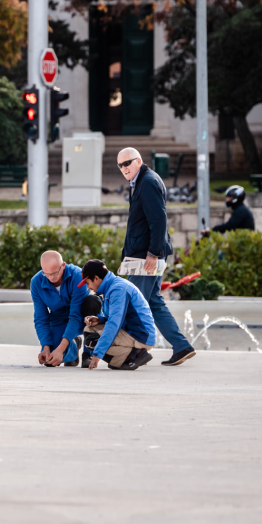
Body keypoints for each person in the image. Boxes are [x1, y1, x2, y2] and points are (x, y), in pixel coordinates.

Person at [116, 147, 195, 366]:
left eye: (127, 163)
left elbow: (158, 220)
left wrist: (153, 253)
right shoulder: (141, 180)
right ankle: (181, 347)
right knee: (153, 302)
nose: (124, 168)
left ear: (138, 161)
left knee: (134, 303)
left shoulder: (148, 181)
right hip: (144, 254)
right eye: (120, 165)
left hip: (147, 256)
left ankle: (136, 352)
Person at [77, 259, 157, 370]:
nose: (87, 287)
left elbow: (114, 323)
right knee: (89, 330)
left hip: (140, 336)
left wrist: (97, 354)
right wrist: (100, 320)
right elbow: (117, 317)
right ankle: (126, 357)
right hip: (128, 331)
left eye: (87, 283)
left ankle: (137, 354)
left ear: (96, 278)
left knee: (93, 340)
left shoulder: (118, 289)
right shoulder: (110, 287)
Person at [30, 250, 87, 367]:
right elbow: (41, 318)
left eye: (55, 273)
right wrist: (45, 346)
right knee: (50, 359)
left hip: (82, 316)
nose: (51, 278)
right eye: (47, 274)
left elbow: (75, 316)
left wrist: (60, 349)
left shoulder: (78, 276)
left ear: (63, 266)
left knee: (93, 302)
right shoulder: (36, 282)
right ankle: (73, 347)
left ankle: (89, 353)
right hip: (58, 318)